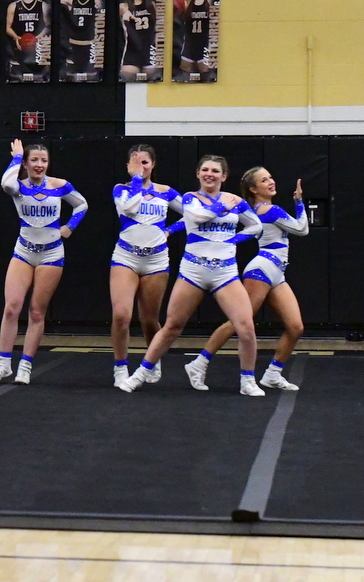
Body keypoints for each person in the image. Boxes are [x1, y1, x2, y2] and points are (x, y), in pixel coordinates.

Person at [118, 155, 264, 395]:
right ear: (197, 174)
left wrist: (234, 239)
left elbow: (256, 226)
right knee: (172, 326)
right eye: (205, 170)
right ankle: (140, 374)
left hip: (225, 271)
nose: (209, 174)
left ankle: (248, 381)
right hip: (193, 271)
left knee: (246, 326)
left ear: (224, 176)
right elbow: (197, 217)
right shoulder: (190, 198)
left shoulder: (235, 201)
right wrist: (221, 206)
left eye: (215, 171)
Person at [187, 169, 307, 392]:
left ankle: (273, 374)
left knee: (295, 327)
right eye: (264, 180)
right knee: (238, 322)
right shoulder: (271, 210)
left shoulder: (257, 210)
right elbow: (302, 229)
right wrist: (299, 202)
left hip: (276, 271)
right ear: (253, 189)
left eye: (271, 177)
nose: (271, 182)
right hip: (262, 269)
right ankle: (199, 363)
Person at [0, 140, 88, 384]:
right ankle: (3, 364)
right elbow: (6, 183)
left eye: (44, 160)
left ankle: (25, 365)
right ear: (25, 164)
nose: (39, 164)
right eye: (34, 160)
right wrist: (15, 157)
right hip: (24, 251)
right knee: (11, 307)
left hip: (51, 254)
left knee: (36, 311)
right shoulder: (18, 187)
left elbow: (82, 204)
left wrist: (69, 227)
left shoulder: (59, 185)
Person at [109, 145, 183, 389]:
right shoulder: (121, 189)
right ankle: (120, 366)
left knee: (150, 320)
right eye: (136, 163)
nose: (141, 168)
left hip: (156, 260)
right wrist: (136, 180)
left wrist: (170, 230)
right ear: (128, 166)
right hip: (126, 257)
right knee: (121, 315)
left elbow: (193, 214)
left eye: (145, 163)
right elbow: (129, 208)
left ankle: (152, 361)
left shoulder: (166, 192)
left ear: (153, 164)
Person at [5, 0, 49, 79]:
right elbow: (7, 27)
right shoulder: (13, 6)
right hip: (20, 47)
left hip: (38, 49)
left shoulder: (43, 5)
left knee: (39, 79)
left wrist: (39, 37)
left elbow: (49, 26)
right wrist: (16, 37)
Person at [60, 0, 101, 81]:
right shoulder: (71, 0)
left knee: (91, 78)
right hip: (73, 45)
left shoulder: (95, 1)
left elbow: (102, 4)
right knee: (71, 78)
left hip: (90, 46)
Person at [120, 0, 157, 81]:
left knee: (153, 82)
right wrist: (126, 12)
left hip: (149, 52)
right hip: (131, 52)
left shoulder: (152, 5)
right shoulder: (125, 6)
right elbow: (120, 8)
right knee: (128, 79)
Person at [178, 0, 213, 78]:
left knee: (206, 83)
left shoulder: (210, 6)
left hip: (205, 50)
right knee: (186, 82)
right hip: (188, 50)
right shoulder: (185, 4)